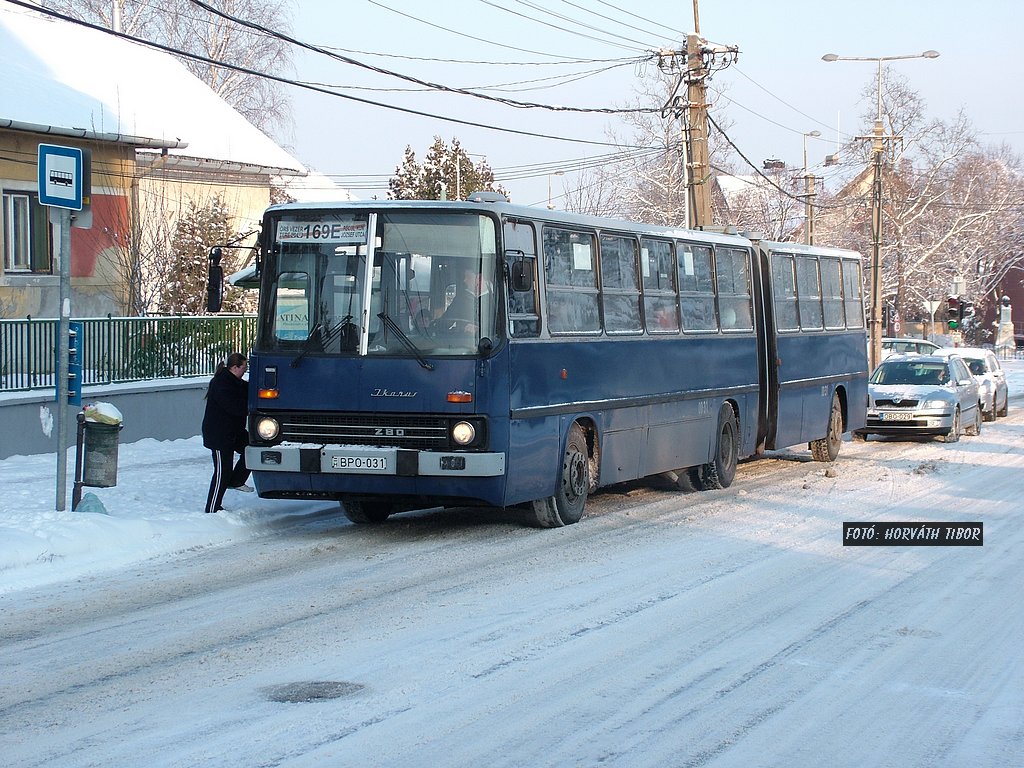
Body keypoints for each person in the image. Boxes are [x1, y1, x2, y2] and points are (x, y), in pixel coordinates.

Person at [202, 352, 252, 513]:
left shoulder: (236, 382)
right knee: (222, 471)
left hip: (234, 433)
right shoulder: (221, 383)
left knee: (251, 448)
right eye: (244, 367)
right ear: (234, 367)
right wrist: (250, 408)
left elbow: (247, 390)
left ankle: (236, 481)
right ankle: (212, 508)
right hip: (219, 435)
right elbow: (234, 407)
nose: (245, 371)